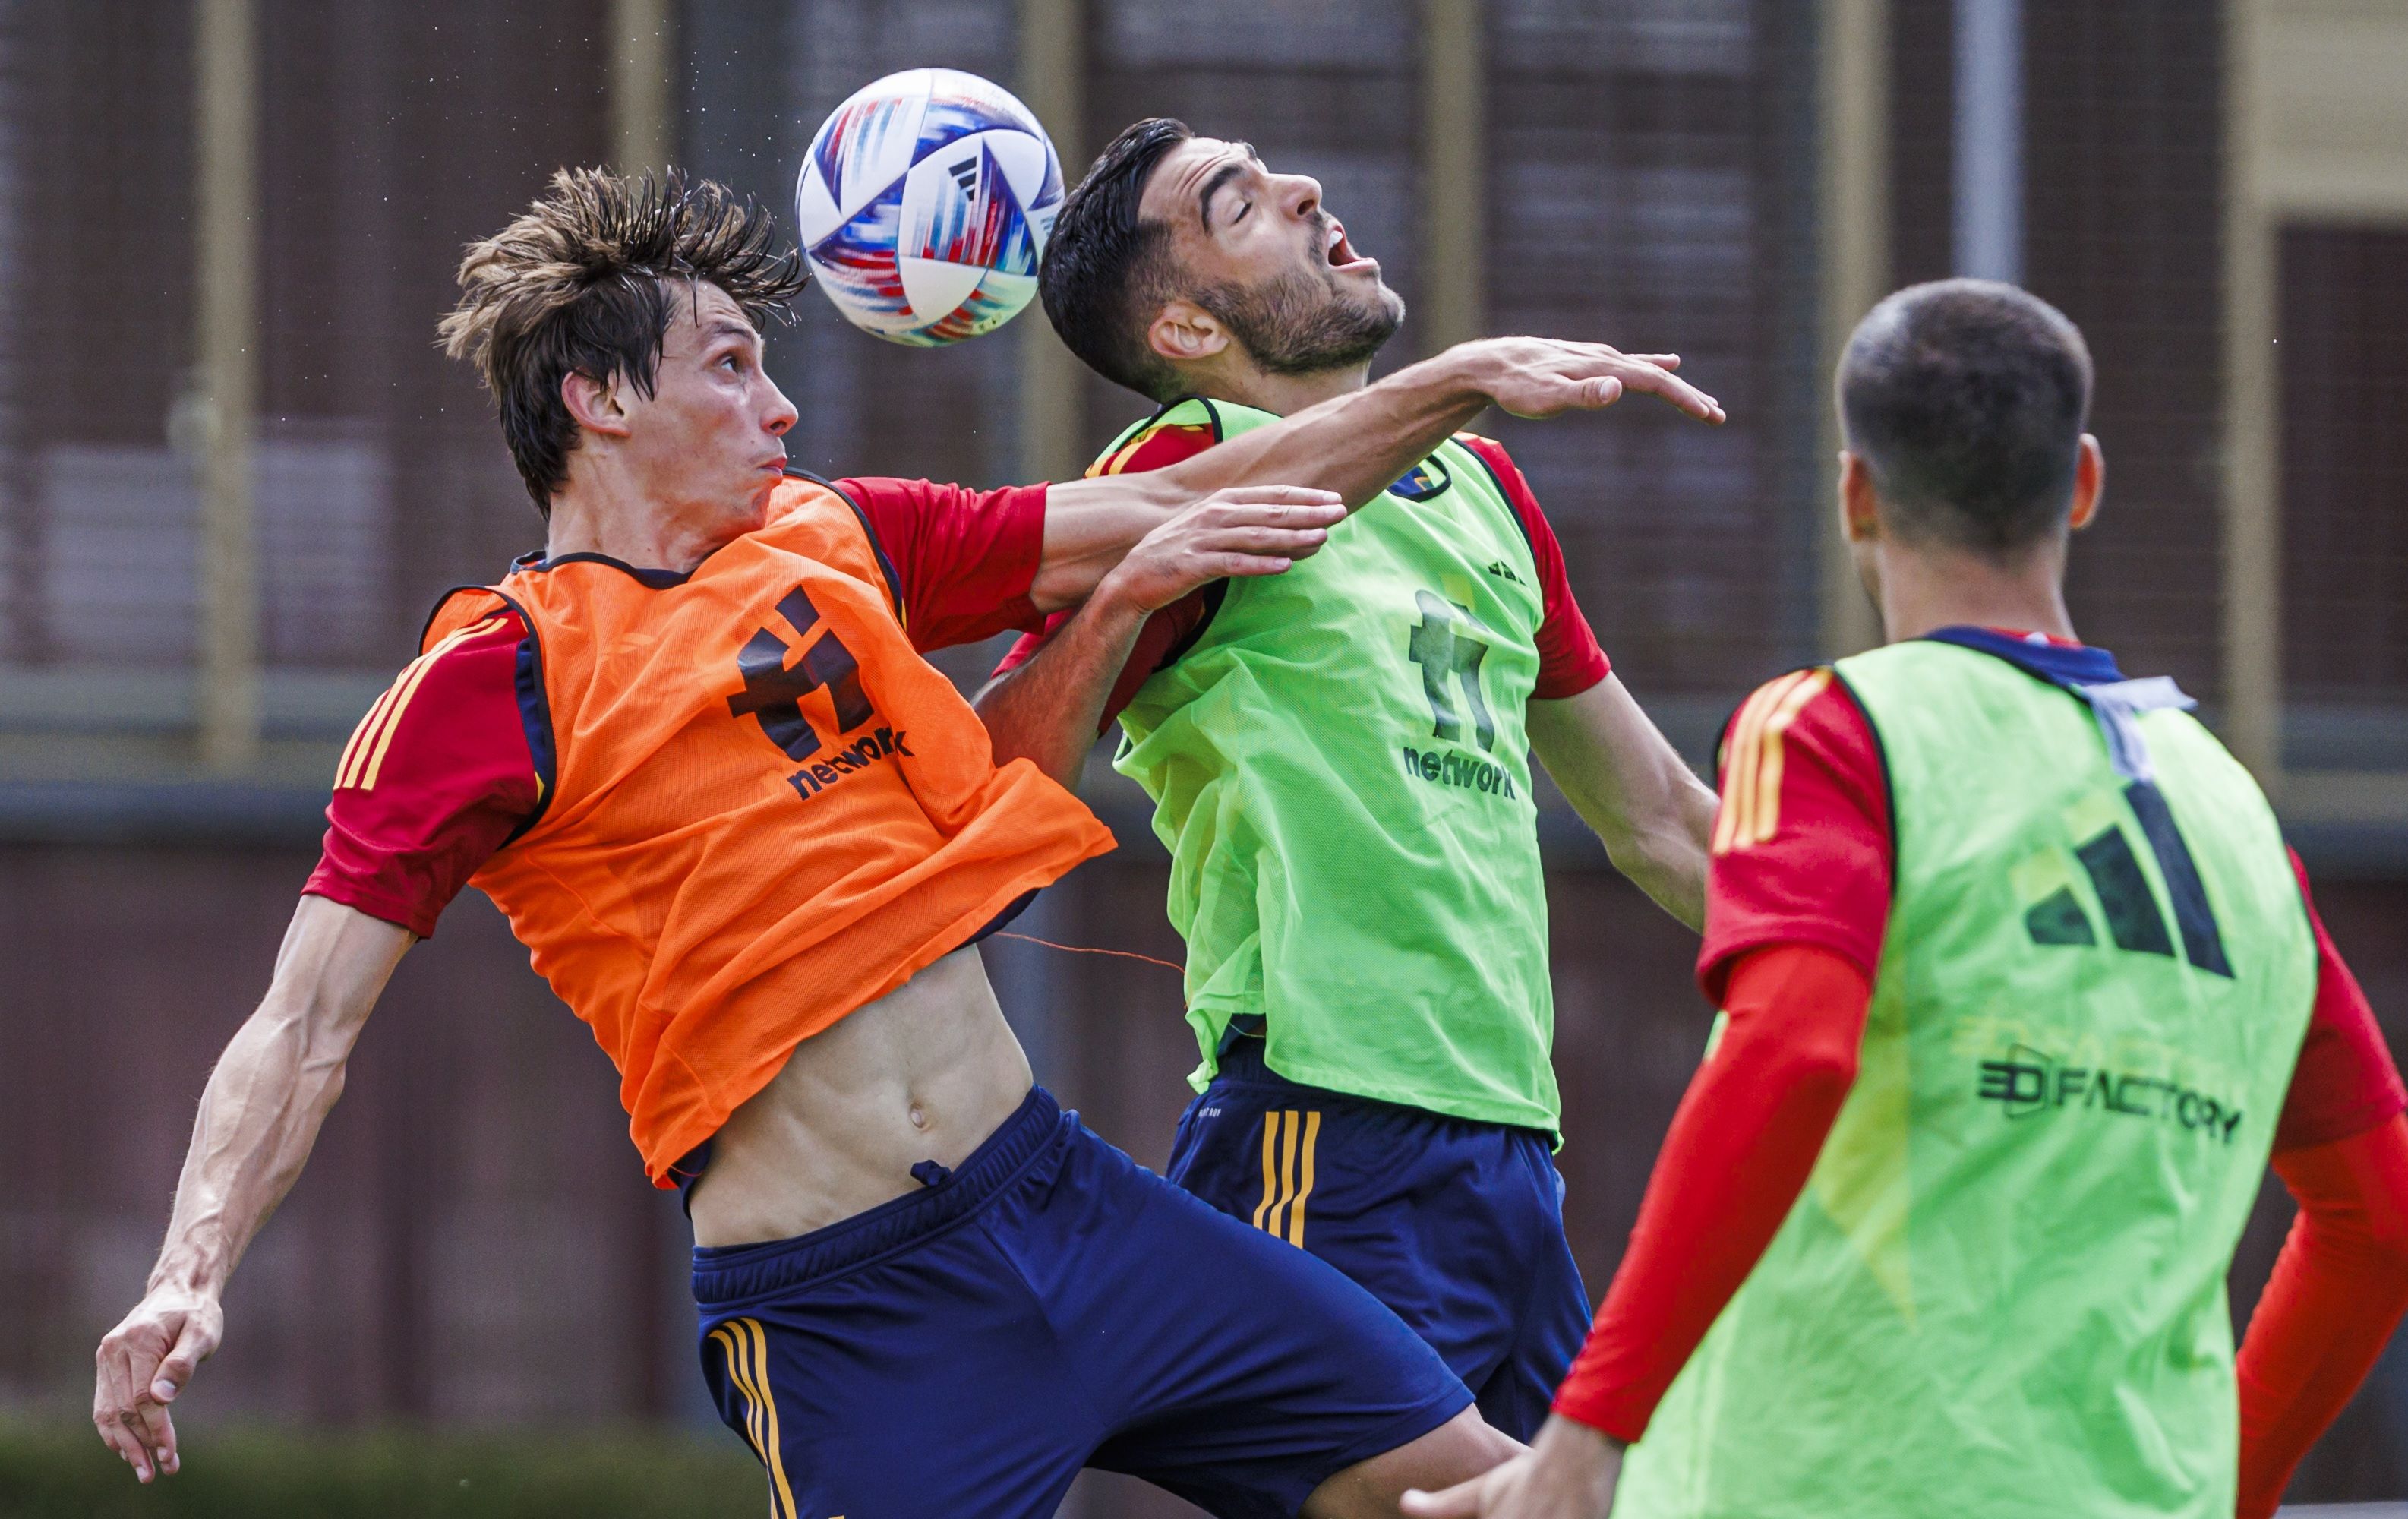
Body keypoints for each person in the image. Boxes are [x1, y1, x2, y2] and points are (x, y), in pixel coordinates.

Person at [87, 169, 1722, 1519]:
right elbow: (300, 1026)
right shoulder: (484, 678)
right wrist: (189, 1270)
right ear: (598, 398)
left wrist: (1450, 382)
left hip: (1069, 1203)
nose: (780, 400)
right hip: (848, 1303)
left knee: (1509, 1495)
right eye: (730, 364)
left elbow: (1209, 500)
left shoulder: (839, 538)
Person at [1400, 279, 2408, 1519]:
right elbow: (2381, 1222)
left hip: (1832, 1487)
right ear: (2082, 484)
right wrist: (2230, 1485)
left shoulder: (1837, 730)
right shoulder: (2234, 816)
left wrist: (1589, 1431)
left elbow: (1793, 1054)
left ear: (1855, 495)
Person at [974, 118, 1725, 1440]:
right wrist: (1117, 607)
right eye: (1239, 203)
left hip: (1510, 1146)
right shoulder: (1176, 476)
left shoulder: (1483, 487)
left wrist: (1889, 982)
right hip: (1324, 1134)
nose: (1306, 188)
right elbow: (990, 777)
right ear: (1189, 332)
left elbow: (1661, 822)